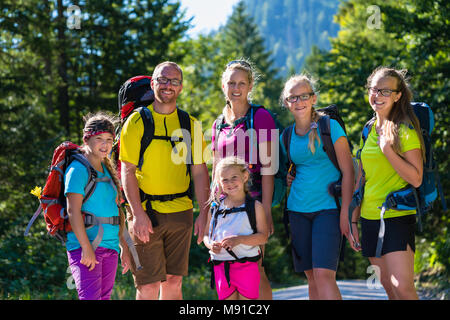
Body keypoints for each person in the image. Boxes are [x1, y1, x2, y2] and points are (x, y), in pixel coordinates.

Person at [119, 61, 210, 300]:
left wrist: (204, 212)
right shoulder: (137, 122)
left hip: (182, 211)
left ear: (180, 87)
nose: (168, 85)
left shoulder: (190, 124)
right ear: (153, 83)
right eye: (162, 80)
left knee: (173, 283)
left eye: (174, 81)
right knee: (147, 286)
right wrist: (137, 213)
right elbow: (126, 170)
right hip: (145, 213)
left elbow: (199, 170)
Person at [350, 67, 424, 300]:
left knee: (402, 287)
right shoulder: (368, 129)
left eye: (385, 91)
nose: (377, 95)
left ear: (397, 95)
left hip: (397, 215)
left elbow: (416, 178)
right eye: (374, 89)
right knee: (389, 289)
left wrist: (388, 151)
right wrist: (353, 218)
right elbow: (361, 179)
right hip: (369, 218)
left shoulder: (405, 130)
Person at [280, 74, 355, 300]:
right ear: (286, 103)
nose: (298, 102)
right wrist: (288, 178)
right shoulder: (286, 135)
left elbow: (349, 171)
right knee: (311, 276)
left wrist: (346, 213)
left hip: (329, 209)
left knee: (324, 275)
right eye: (293, 98)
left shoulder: (329, 127)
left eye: (304, 96)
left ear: (313, 98)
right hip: (297, 211)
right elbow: (291, 169)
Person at [211, 59, 275, 299]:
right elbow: (216, 171)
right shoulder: (219, 124)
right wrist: (210, 211)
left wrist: (266, 211)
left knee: (254, 265)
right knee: (229, 265)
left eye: (241, 83)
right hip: (226, 206)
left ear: (250, 86)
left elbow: (269, 168)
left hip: (253, 202)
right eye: (230, 83)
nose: (235, 88)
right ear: (223, 86)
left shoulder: (261, 117)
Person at [65, 112, 131, 300]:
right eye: (99, 139)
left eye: (109, 139)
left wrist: (123, 246)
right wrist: (86, 248)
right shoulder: (77, 169)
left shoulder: (108, 170)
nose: (105, 144)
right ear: (87, 139)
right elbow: (73, 211)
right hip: (87, 245)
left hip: (110, 246)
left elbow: (116, 211)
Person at [204, 156, 268, 300]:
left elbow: (263, 237)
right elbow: (206, 235)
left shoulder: (255, 206)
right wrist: (210, 244)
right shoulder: (215, 207)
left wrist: (239, 240)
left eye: (234, 177)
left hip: (247, 266)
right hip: (221, 267)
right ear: (219, 182)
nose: (230, 183)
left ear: (245, 176)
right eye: (224, 179)